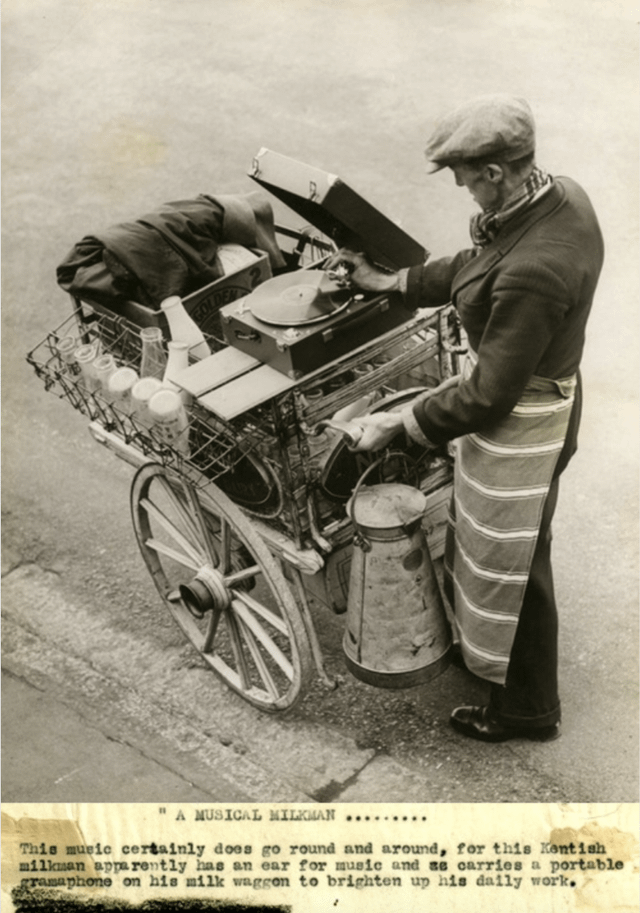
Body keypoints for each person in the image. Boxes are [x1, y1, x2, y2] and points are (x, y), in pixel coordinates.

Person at [326, 94, 604, 742]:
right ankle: (500, 660)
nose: (457, 185)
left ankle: (527, 710)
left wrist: (401, 421)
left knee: (518, 558)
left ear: (497, 172)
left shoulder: (536, 269)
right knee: (507, 547)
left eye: (464, 174)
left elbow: (486, 397)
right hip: (543, 394)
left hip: (524, 420)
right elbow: (475, 269)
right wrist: (390, 282)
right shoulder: (555, 198)